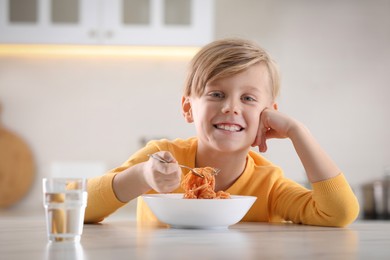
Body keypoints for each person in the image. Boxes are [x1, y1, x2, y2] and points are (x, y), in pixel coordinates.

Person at [84, 38, 359, 227]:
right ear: (188, 107)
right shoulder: (161, 157)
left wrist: (299, 133)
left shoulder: (270, 185)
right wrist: (143, 175)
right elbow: (79, 207)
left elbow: (338, 214)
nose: (231, 108)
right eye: (216, 94)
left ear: (269, 116)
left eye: (248, 99)